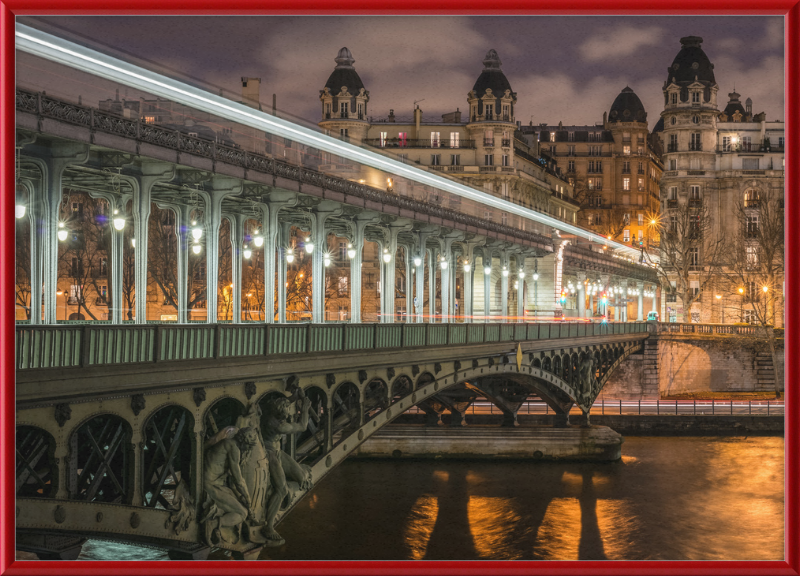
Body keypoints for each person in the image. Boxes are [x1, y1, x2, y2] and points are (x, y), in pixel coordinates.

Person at [261, 395, 314, 543]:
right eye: (285, 412)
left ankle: (298, 472)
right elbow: (303, 426)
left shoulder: (270, 410)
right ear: (279, 413)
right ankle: (269, 526)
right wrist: (304, 409)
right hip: (268, 453)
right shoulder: (278, 425)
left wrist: (296, 396)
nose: (288, 414)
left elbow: (280, 403)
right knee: (282, 489)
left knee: (302, 478)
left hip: (278, 451)